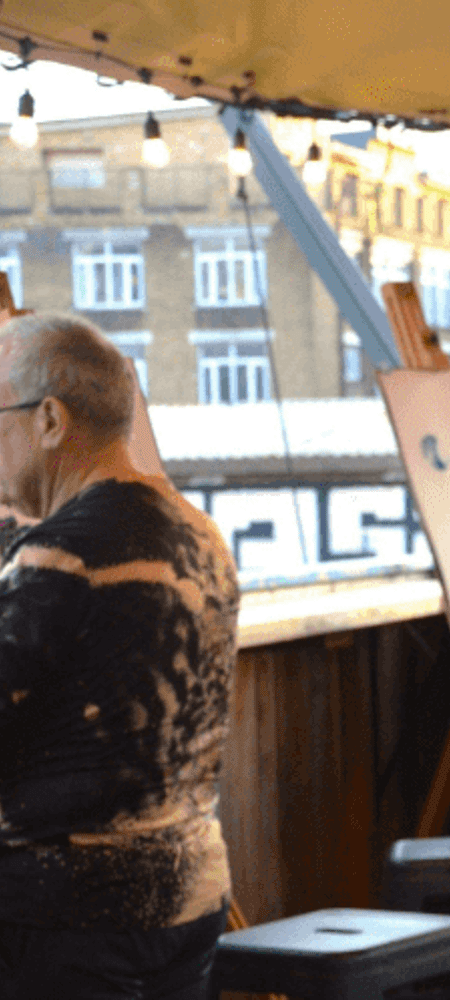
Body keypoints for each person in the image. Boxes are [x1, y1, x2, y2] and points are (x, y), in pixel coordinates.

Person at [0, 314, 239, 1000]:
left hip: (68, 914)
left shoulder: (60, 553)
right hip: (188, 893)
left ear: (49, 420)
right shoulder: (202, 537)